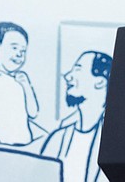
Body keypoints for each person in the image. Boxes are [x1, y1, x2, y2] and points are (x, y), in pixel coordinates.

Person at [41, 51, 112, 182]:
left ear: (100, 82)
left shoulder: (114, 143)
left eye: (78, 69)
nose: (68, 76)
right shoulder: (57, 139)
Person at [0, 22, 45, 148]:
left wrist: (26, 86)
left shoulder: (21, 82)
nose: (19, 54)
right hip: (0, 145)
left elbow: (33, 112)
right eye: (14, 48)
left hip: (24, 144)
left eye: (23, 51)